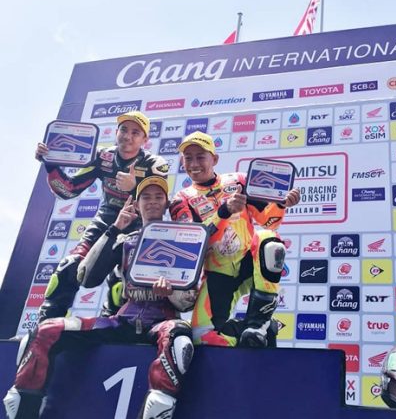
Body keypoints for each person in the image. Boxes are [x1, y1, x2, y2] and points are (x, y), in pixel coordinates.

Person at [3, 176, 196, 419]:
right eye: (146, 197)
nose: (152, 201)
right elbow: (87, 277)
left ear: (167, 204)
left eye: (159, 197)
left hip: (161, 322)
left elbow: (187, 301)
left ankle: (155, 413)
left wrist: (172, 292)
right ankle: (24, 412)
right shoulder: (125, 240)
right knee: (45, 330)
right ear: (136, 205)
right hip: (122, 321)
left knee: (178, 338)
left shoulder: (183, 240)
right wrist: (114, 228)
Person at [169, 131, 300, 347]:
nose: (194, 163)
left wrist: (281, 204)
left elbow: (269, 221)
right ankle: (251, 336)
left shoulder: (239, 181)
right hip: (218, 271)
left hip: (249, 263)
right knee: (202, 335)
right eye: (188, 158)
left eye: (200, 157)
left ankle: (257, 324)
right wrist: (224, 211)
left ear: (214, 159)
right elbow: (193, 242)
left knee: (269, 240)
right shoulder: (181, 199)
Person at [36, 111, 169, 321]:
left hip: (137, 225)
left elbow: (157, 203)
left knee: (123, 279)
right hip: (106, 221)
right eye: (124, 129)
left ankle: (113, 324)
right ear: (116, 132)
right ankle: (46, 325)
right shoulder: (102, 157)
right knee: (70, 266)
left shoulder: (154, 164)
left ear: (145, 140)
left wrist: (135, 188)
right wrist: (51, 163)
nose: (128, 136)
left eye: (135, 132)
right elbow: (68, 189)